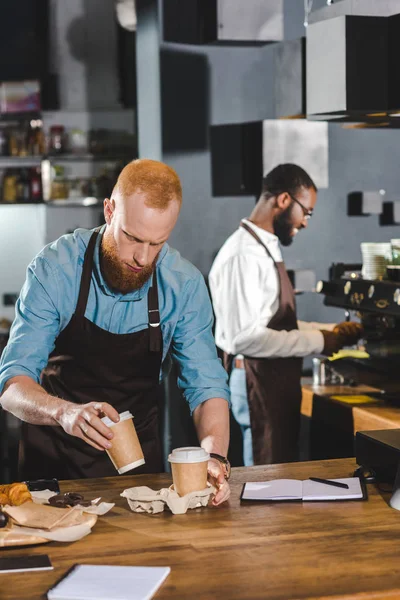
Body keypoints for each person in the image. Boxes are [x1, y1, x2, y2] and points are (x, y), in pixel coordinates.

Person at [0, 159, 231, 505]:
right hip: (52, 466)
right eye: (133, 238)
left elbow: (207, 386)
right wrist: (64, 413)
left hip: (137, 473)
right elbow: (12, 386)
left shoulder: (182, 285)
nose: (142, 257)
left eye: (157, 244)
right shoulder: (56, 268)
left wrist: (214, 455)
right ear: (109, 211)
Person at [209, 163, 363, 467]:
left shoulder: (263, 247)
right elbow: (247, 338)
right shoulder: (244, 255)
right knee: (263, 490)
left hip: (272, 381)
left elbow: (274, 323)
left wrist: (329, 330)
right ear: (283, 200)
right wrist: (319, 341)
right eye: (306, 211)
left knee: (277, 477)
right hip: (256, 382)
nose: (305, 222)